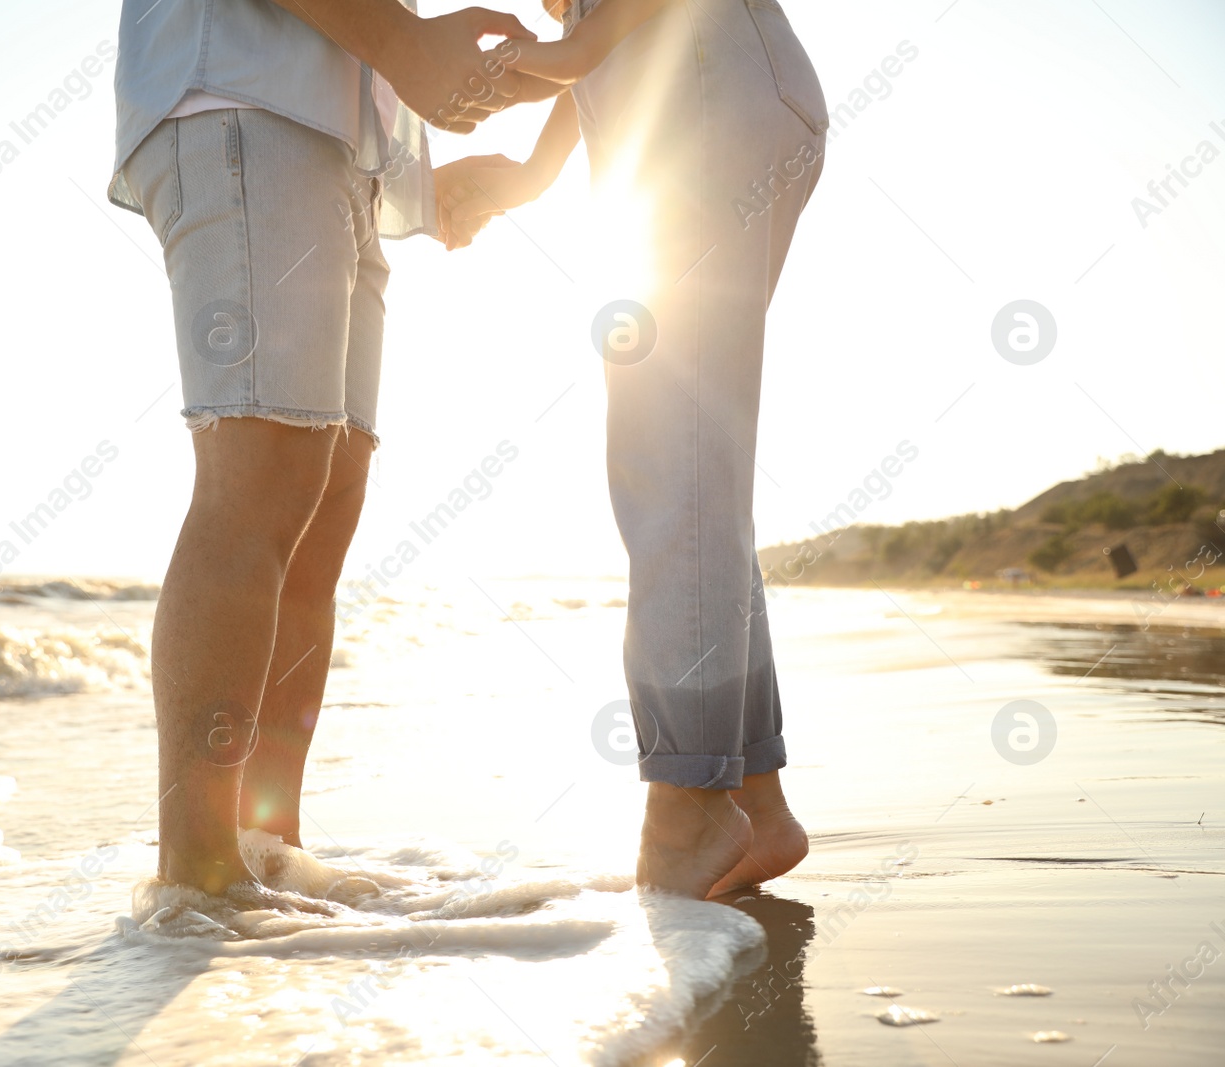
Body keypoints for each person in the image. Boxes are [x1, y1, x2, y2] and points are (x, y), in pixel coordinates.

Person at [108, 0, 560, 910]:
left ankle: (267, 849)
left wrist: (434, 188)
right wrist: (408, 43)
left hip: (331, 156)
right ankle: (197, 876)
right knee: (263, 477)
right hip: (236, 107)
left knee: (322, 503)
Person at [437, 0, 828, 898]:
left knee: (672, 463)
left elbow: (606, 26)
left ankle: (690, 813)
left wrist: (573, 45)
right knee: (694, 464)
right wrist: (536, 171)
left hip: (695, 80)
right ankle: (752, 804)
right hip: (684, 85)